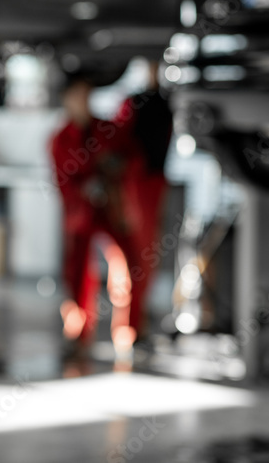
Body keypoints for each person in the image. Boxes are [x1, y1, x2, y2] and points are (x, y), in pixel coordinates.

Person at [49, 73, 136, 356]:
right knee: (77, 274)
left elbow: (125, 155)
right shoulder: (61, 138)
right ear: (67, 99)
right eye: (78, 94)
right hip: (80, 215)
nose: (83, 101)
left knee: (126, 265)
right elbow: (64, 181)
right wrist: (86, 187)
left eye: (87, 94)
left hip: (111, 209)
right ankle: (77, 332)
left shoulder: (106, 129)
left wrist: (111, 171)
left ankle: (126, 333)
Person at [114, 62, 173, 338]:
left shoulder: (167, 101)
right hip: (137, 183)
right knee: (135, 259)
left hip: (153, 183)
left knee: (145, 258)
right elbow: (120, 139)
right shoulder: (134, 102)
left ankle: (135, 325)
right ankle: (131, 327)